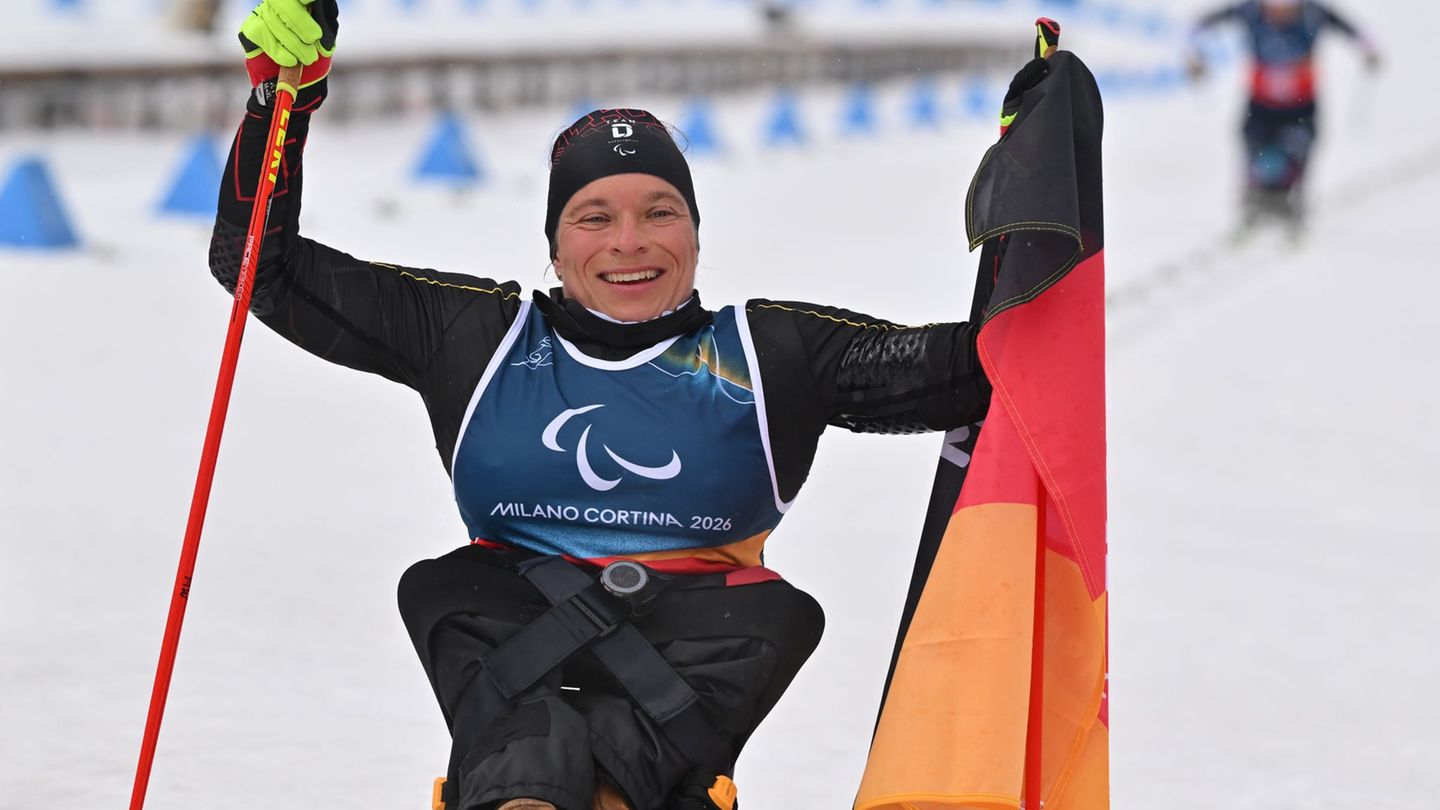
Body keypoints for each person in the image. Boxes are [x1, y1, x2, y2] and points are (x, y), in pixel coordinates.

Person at [216, 1, 991, 808]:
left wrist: (1035, 204)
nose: (629, 242)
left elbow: (983, 366)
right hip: (510, 649)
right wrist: (280, 105)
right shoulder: (479, 338)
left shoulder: (771, 355)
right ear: (555, 247)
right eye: (594, 218)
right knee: (529, 757)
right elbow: (259, 267)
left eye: (660, 212)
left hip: (688, 677)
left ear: (695, 234)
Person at [1187, 0, 1380, 237]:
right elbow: (1198, 26)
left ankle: (1292, 203)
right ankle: (1252, 204)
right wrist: (1194, 56)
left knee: (1297, 152)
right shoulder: (1250, 12)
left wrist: (1368, 51)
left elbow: (1354, 32)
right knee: (1254, 151)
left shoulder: (1313, 14)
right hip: (1260, 106)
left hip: (1300, 107)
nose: (1279, 13)